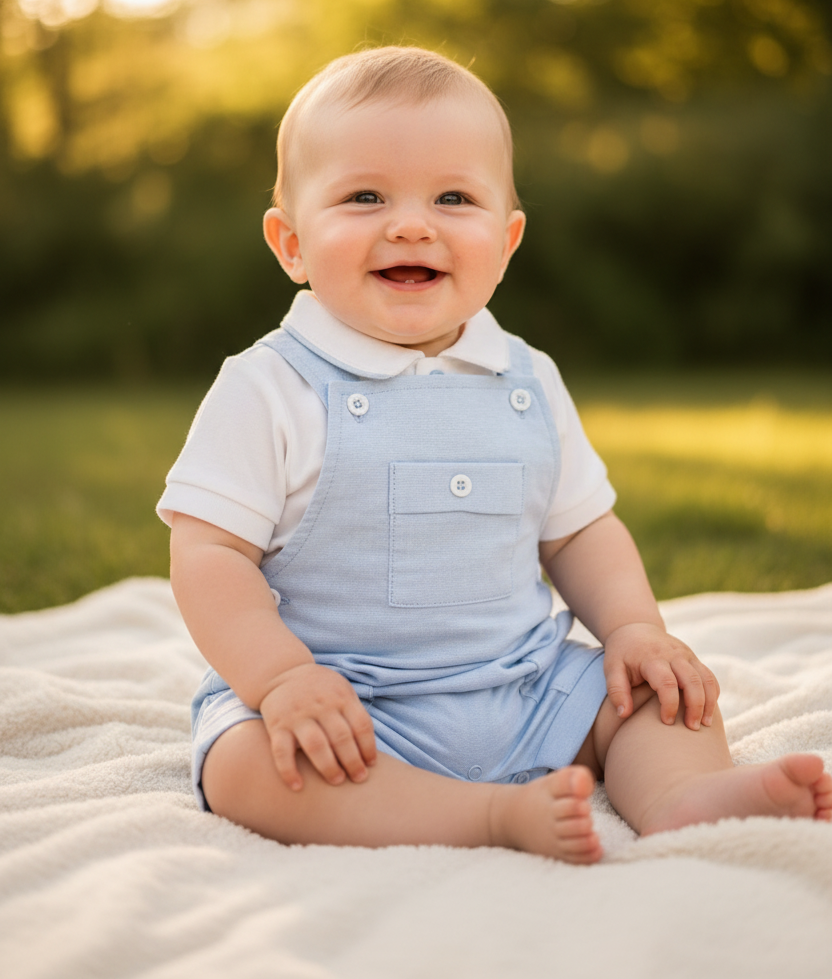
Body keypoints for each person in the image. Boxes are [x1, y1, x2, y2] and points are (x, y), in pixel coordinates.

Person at [160, 46, 831, 862]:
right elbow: (209, 551)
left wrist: (632, 629)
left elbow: (580, 532)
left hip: (528, 686)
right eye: (364, 196)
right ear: (291, 242)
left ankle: (683, 798)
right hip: (348, 704)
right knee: (247, 766)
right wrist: (280, 680)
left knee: (661, 695)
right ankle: (480, 817)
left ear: (507, 241)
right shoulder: (271, 386)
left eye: (454, 197)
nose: (412, 223)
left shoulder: (527, 378)